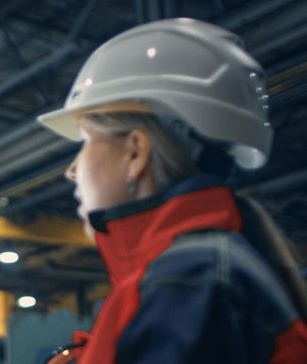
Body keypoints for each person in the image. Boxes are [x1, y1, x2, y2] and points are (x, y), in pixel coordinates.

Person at [35, 18, 307, 363]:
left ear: (135, 152)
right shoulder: (195, 271)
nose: (72, 171)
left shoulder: (189, 278)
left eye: (87, 140)